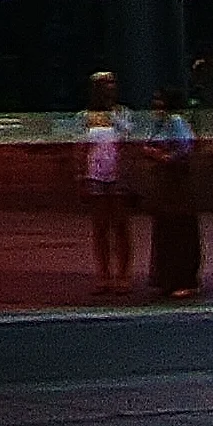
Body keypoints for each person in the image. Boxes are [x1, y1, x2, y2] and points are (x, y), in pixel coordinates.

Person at [143, 86, 202, 298]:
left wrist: (161, 156)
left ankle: (185, 278)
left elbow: (185, 148)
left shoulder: (175, 121)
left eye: (160, 99)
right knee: (165, 230)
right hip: (164, 185)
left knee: (179, 230)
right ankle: (167, 278)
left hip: (177, 184)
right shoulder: (158, 123)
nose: (156, 104)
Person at [78, 71, 133, 292]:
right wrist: (80, 175)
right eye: (104, 84)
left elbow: (129, 137)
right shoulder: (85, 116)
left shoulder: (123, 112)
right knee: (100, 227)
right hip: (95, 175)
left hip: (117, 174)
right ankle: (103, 275)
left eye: (111, 83)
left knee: (121, 225)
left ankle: (124, 275)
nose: (109, 88)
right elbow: (79, 147)